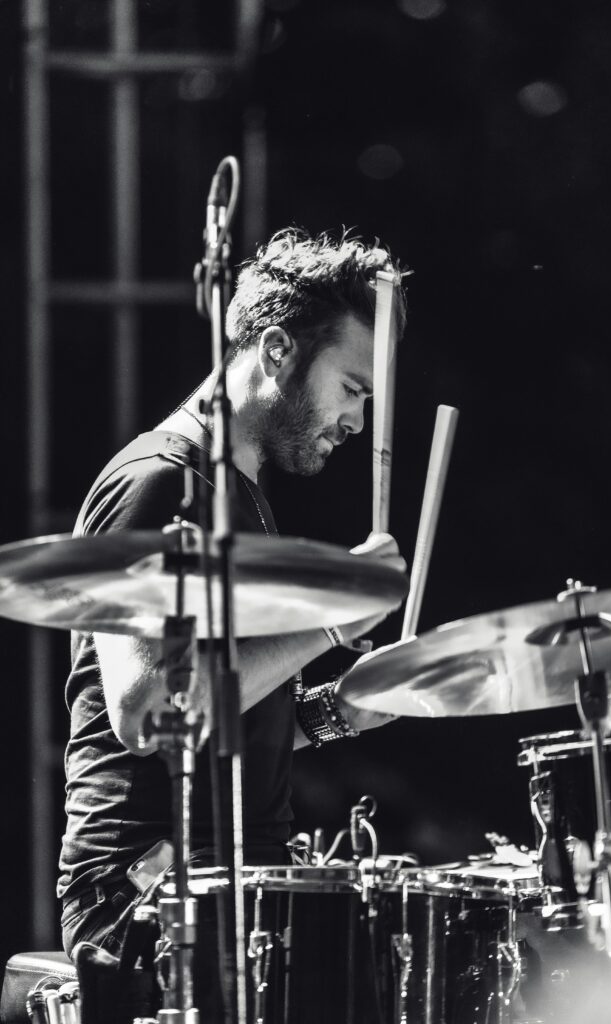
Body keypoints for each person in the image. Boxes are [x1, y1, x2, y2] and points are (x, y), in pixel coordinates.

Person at [58, 227, 408, 965]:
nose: (357, 422)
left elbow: (224, 719)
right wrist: (327, 624)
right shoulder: (161, 481)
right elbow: (149, 713)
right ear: (277, 349)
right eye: (351, 388)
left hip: (235, 880)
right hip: (148, 890)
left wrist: (331, 714)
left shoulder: (238, 495)